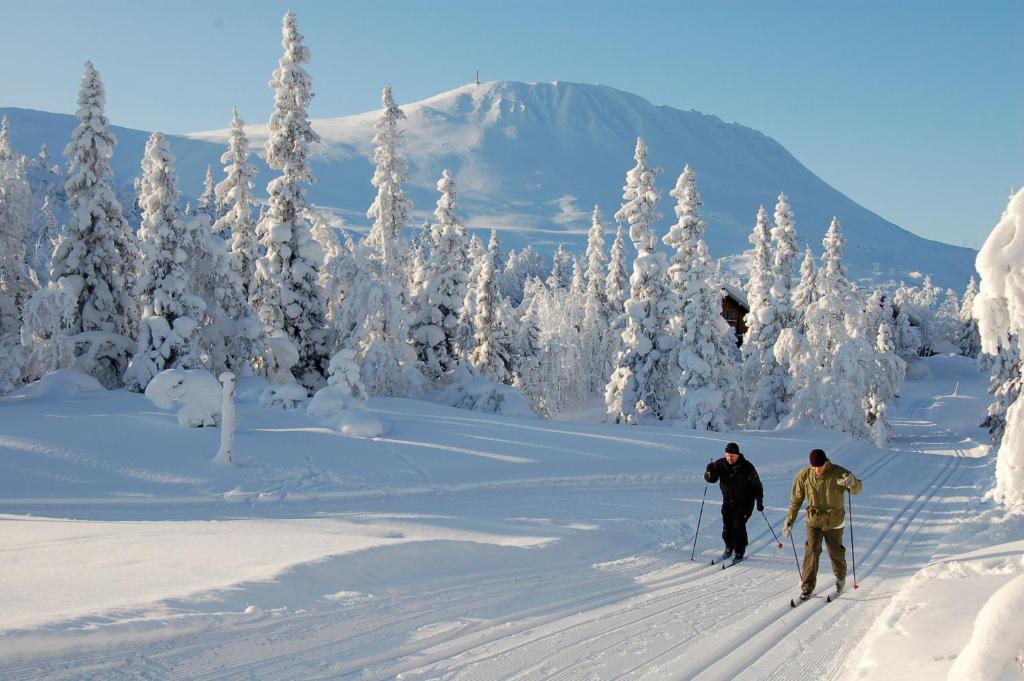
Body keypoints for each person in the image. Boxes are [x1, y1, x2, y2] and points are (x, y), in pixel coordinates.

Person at [783, 448, 863, 601]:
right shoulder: (804, 475)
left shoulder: (839, 473)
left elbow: (857, 490)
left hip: (834, 521)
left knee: (836, 553)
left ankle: (840, 578)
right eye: (814, 467)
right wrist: (790, 520)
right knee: (812, 550)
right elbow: (796, 500)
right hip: (814, 520)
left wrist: (852, 482)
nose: (817, 469)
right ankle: (807, 587)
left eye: (819, 466)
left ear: (826, 462)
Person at [704, 442, 764, 565]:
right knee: (727, 527)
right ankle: (729, 548)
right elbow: (712, 479)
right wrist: (708, 472)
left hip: (745, 503)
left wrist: (759, 500)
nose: (730, 458)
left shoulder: (747, 467)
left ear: (737, 455)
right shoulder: (720, 464)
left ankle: (739, 552)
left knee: (738, 525)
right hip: (728, 502)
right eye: (727, 455)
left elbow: (756, 485)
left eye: (732, 455)